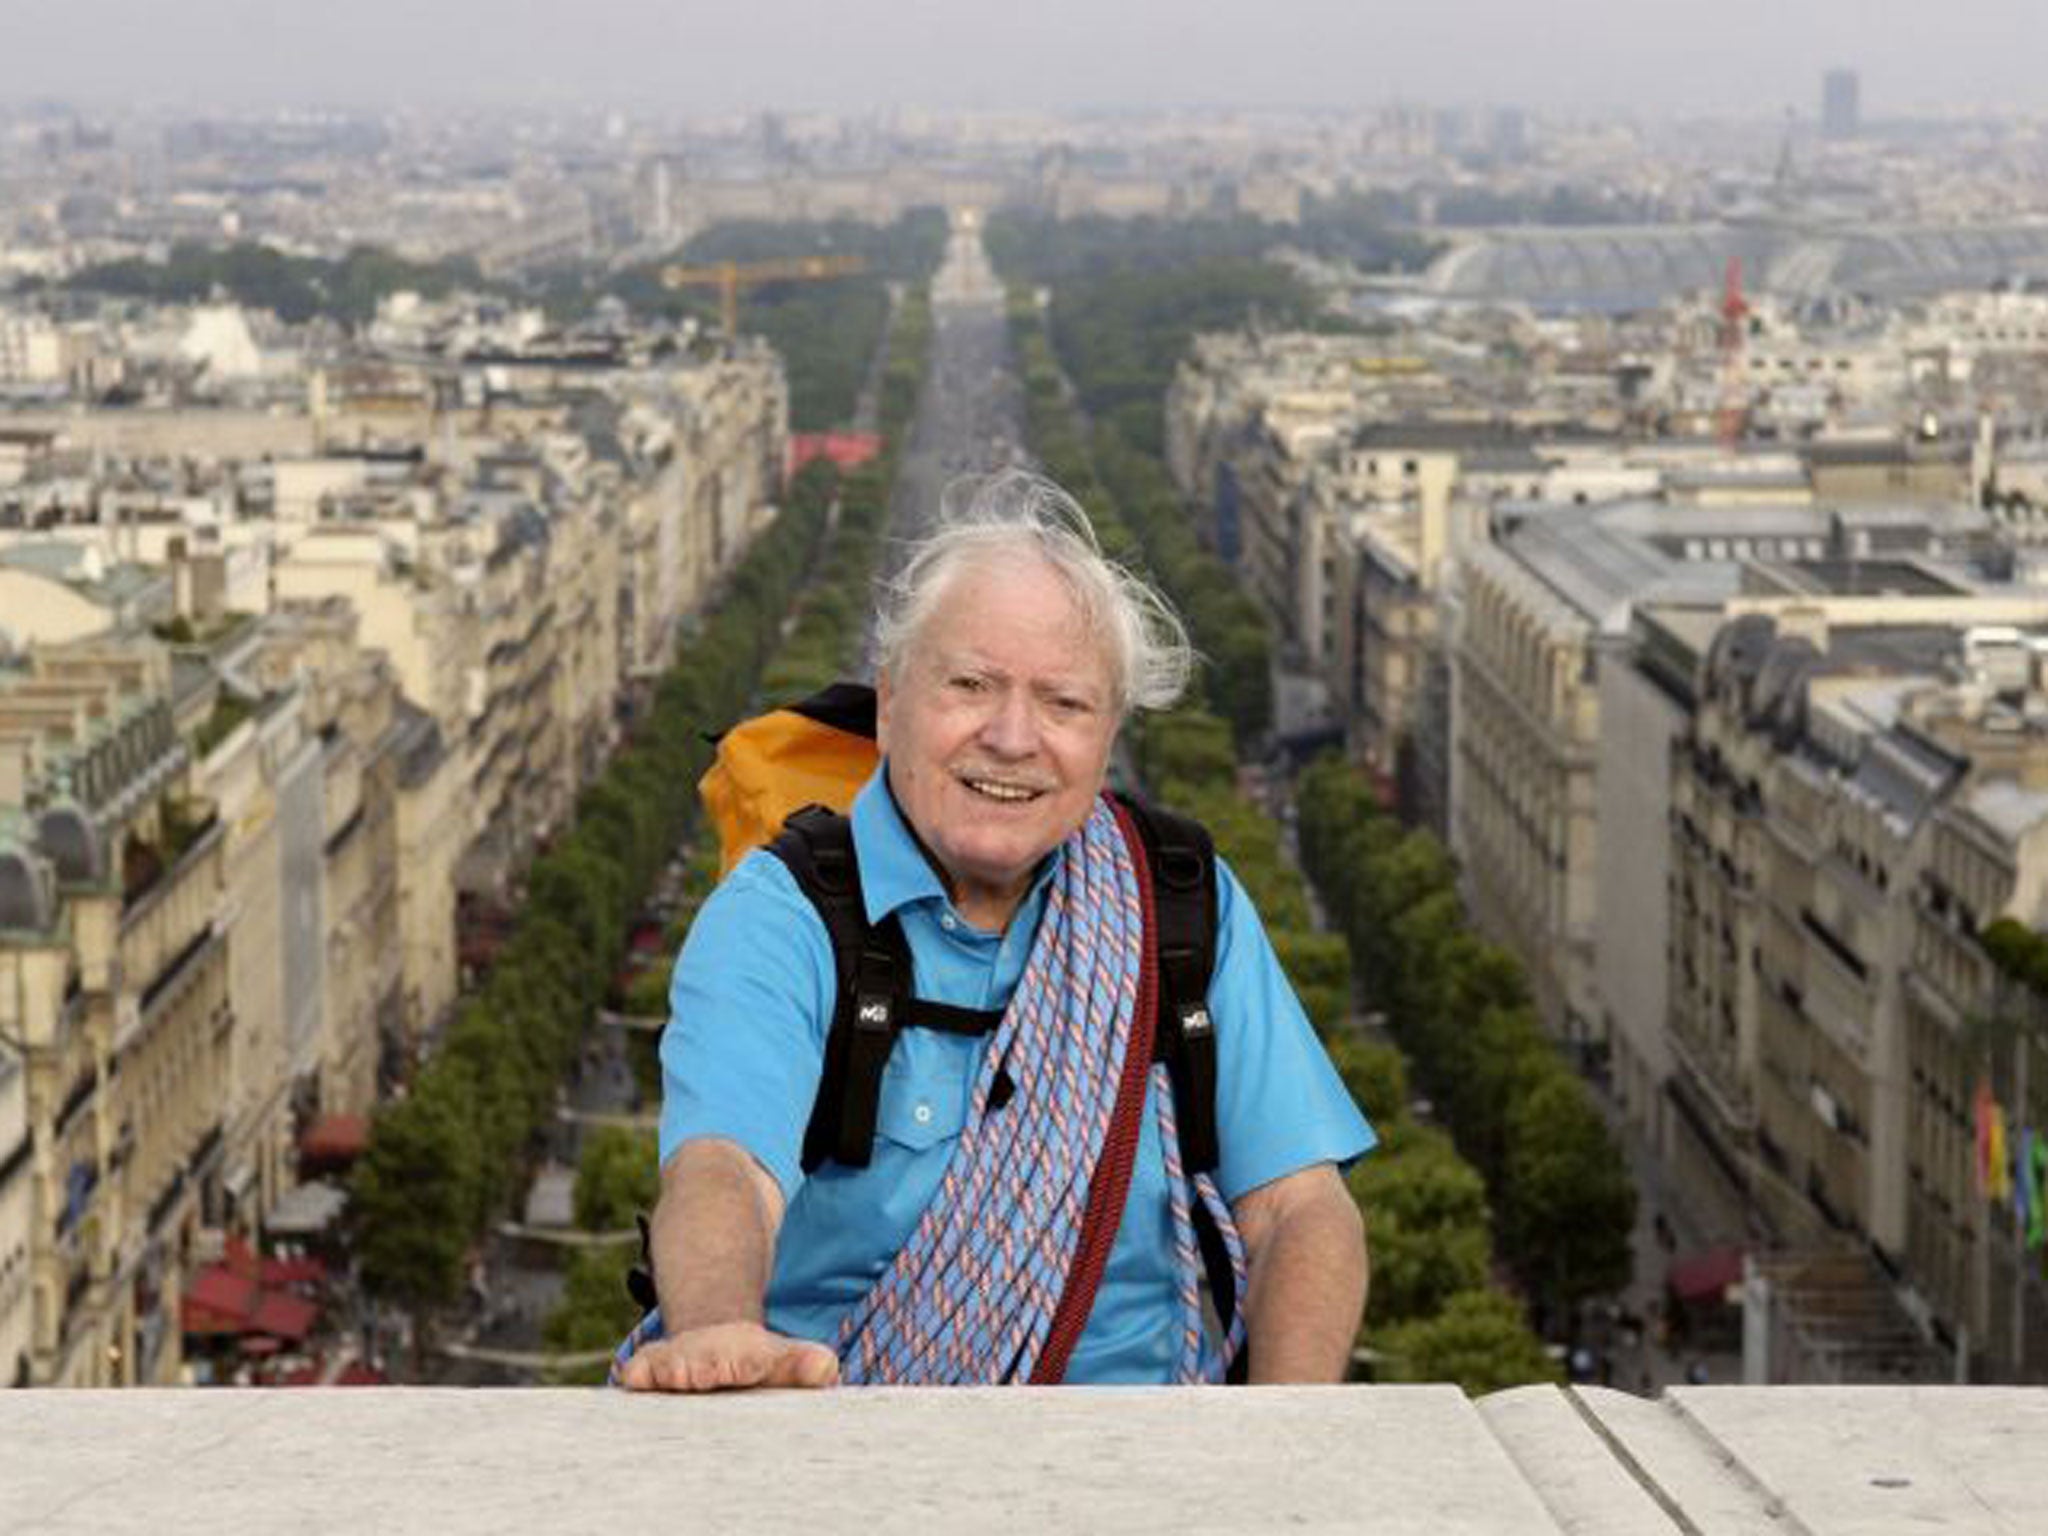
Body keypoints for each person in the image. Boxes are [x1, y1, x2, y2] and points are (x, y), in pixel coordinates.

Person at [616, 472, 1374, 1391]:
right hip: (825, 1436)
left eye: (1064, 704)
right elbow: (723, 1166)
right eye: (972, 684)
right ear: (889, 700)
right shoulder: (786, 915)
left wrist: (1290, 1444)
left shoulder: (1179, 903)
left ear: (1108, 734)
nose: (1013, 738)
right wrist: (721, 1331)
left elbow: (1300, 1209)